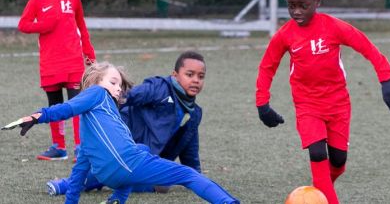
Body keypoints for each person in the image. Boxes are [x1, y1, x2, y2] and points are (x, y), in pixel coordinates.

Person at [255, 0, 390, 204]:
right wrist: (263, 104)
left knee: (339, 161)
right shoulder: (285, 35)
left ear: (317, 2)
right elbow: (267, 67)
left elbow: (366, 46)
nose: (297, 12)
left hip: (338, 105)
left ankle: (318, 190)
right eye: (291, 6)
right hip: (307, 105)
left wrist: (386, 79)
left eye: (303, 5)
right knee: (317, 153)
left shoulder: (333, 27)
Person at [17, 62, 239, 204]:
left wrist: (71, 201)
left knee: (140, 149)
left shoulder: (95, 124)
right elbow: (68, 108)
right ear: (96, 82)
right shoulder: (98, 94)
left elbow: (80, 170)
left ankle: (117, 200)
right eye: (113, 82)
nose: (118, 88)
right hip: (126, 164)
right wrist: (39, 115)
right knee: (188, 175)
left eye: (120, 85)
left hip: (113, 174)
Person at [47, 50, 206, 195]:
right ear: (175, 75)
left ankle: (117, 180)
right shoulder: (159, 88)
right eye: (190, 74)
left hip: (146, 157)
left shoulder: (194, 112)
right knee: (105, 167)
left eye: (200, 76)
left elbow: (189, 144)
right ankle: (68, 184)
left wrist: (196, 175)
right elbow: (129, 96)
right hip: (125, 146)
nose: (195, 80)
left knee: (162, 186)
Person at [17, 0, 95, 161]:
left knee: (77, 104)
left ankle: (81, 147)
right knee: (54, 105)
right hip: (50, 63)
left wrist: (89, 52)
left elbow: (81, 26)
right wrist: (44, 25)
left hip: (73, 61)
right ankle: (59, 147)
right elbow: (23, 24)